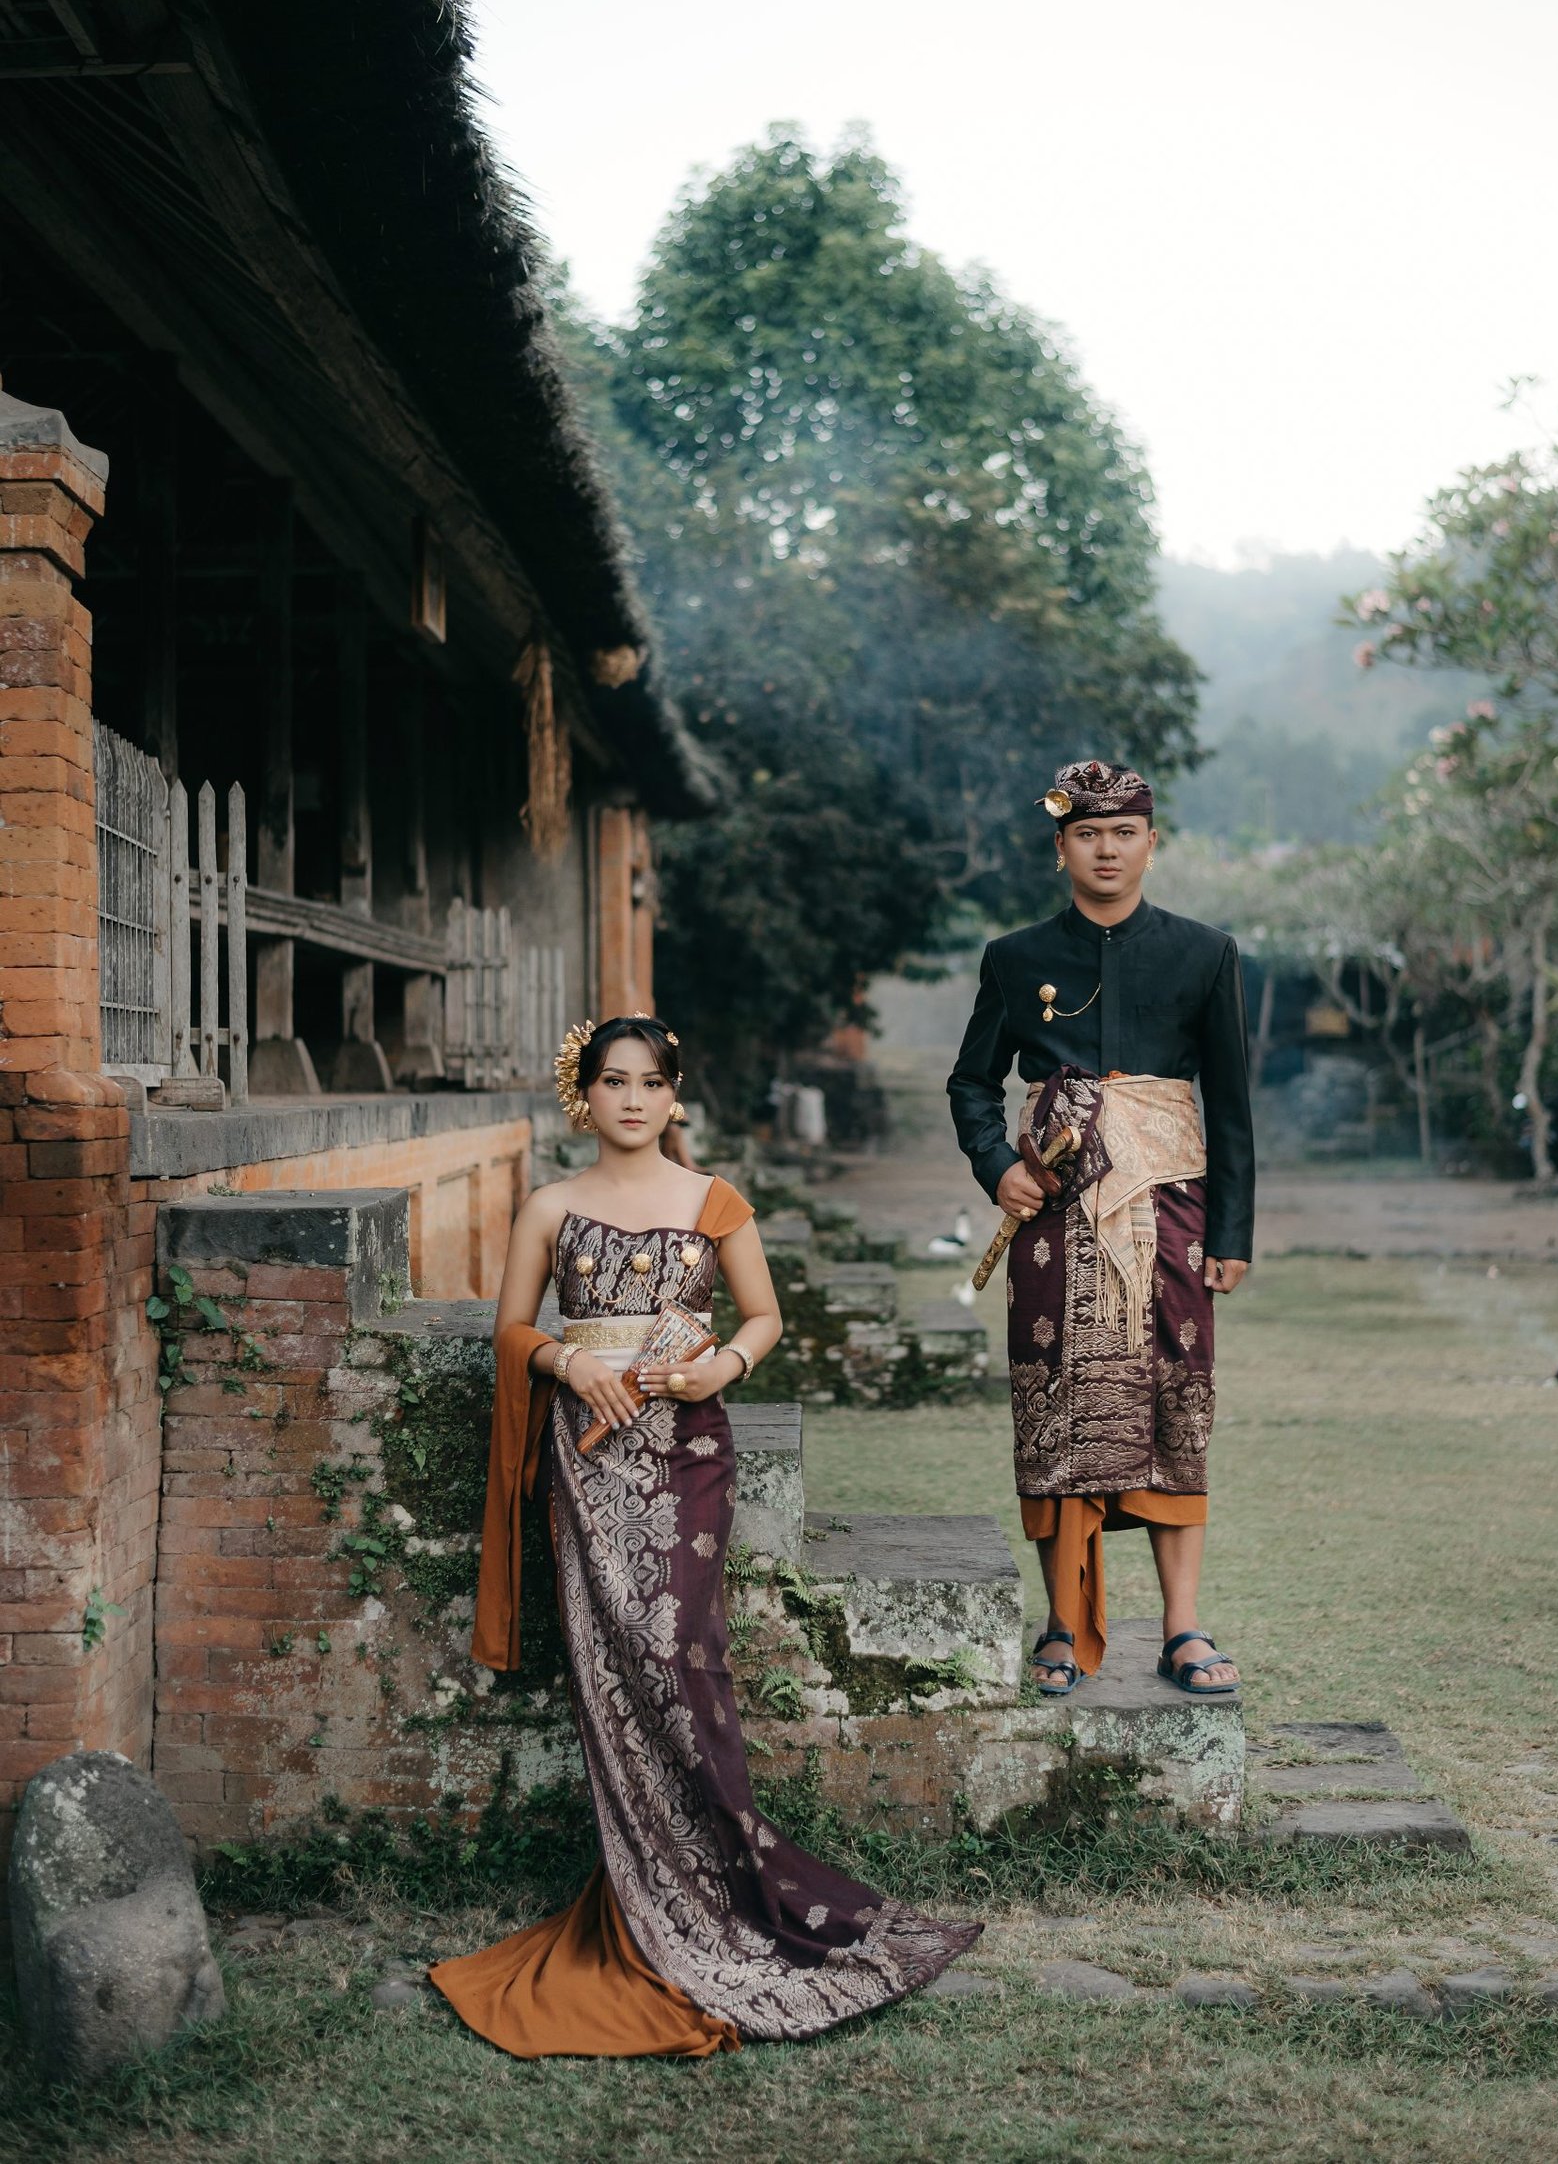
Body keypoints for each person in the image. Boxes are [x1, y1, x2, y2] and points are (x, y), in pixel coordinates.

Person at [430, 1014, 979, 2056]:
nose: (632, 1099)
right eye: (613, 1081)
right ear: (584, 1094)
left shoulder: (713, 1200)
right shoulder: (548, 1205)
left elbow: (763, 1316)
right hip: (586, 1459)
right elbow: (511, 1329)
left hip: (685, 1454)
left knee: (682, 1662)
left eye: (651, 1082)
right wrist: (565, 1359)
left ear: (674, 1095)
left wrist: (718, 1367)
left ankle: (729, 1885)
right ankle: (647, 1892)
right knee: (609, 1668)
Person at [946, 761, 1254, 1701]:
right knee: (1058, 1404)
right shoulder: (1015, 957)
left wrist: (1232, 1233)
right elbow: (971, 1083)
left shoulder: (1206, 954)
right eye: (1088, 833)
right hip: (1055, 1212)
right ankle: (1063, 1623)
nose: (1107, 850)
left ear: (1151, 842)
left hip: (1172, 1211)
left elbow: (1231, 1105)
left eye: (1124, 833)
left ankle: (1182, 1626)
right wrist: (997, 1166)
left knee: (1175, 1406)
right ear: (1061, 847)